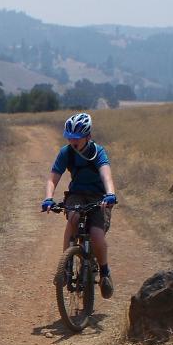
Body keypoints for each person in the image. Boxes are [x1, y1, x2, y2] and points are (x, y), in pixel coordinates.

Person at [40, 112, 118, 297]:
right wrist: (48, 198)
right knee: (73, 219)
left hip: (99, 197)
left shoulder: (97, 152)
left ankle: (105, 272)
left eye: (76, 138)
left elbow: (106, 174)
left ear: (88, 136)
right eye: (69, 137)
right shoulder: (66, 152)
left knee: (96, 235)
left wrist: (110, 194)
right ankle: (65, 267)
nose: (72, 141)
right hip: (76, 194)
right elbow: (53, 178)